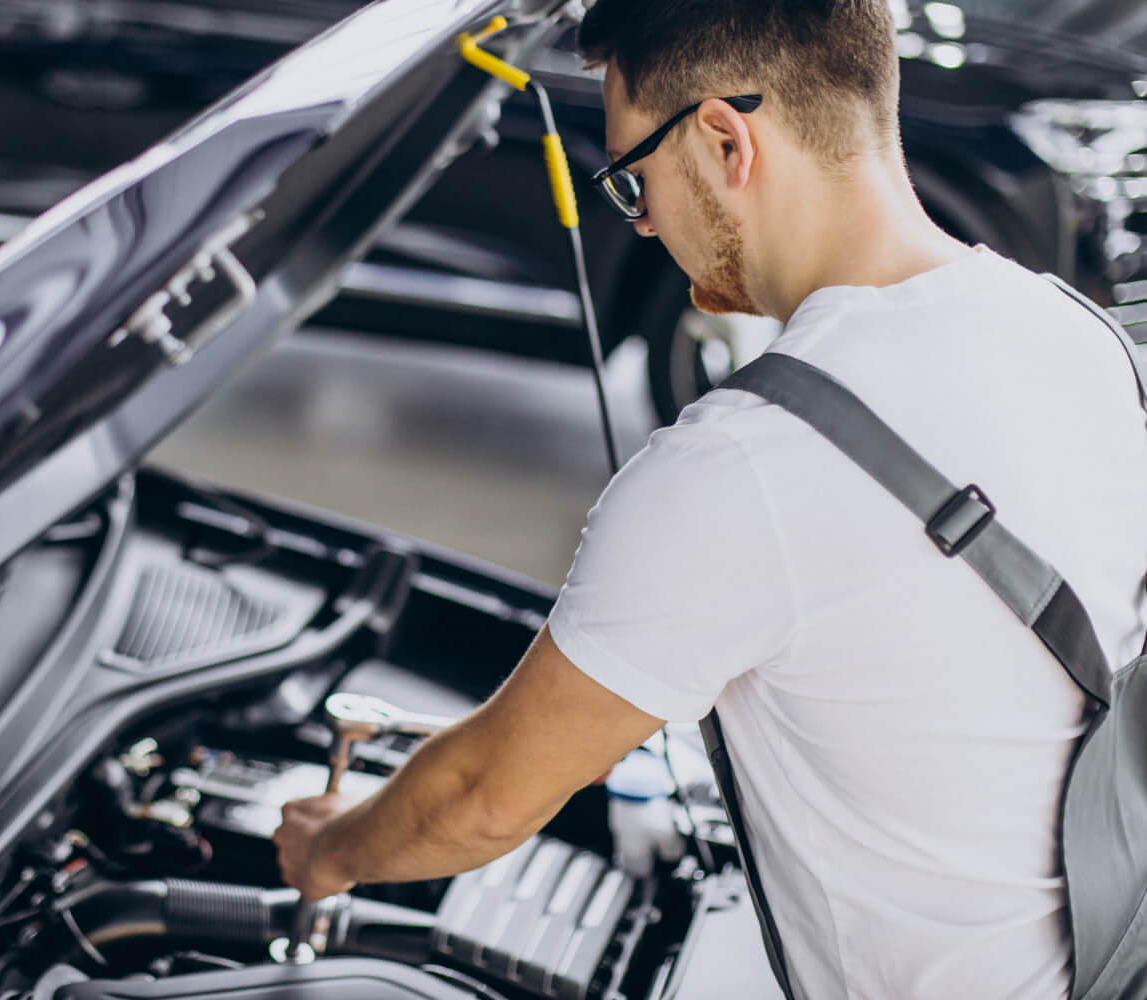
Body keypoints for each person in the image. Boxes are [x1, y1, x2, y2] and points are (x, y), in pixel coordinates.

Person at [273, 1, 1147, 996]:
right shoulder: (1078, 335)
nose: (641, 221)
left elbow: (484, 800)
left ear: (726, 141)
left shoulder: (745, 464)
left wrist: (330, 850)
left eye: (633, 179)